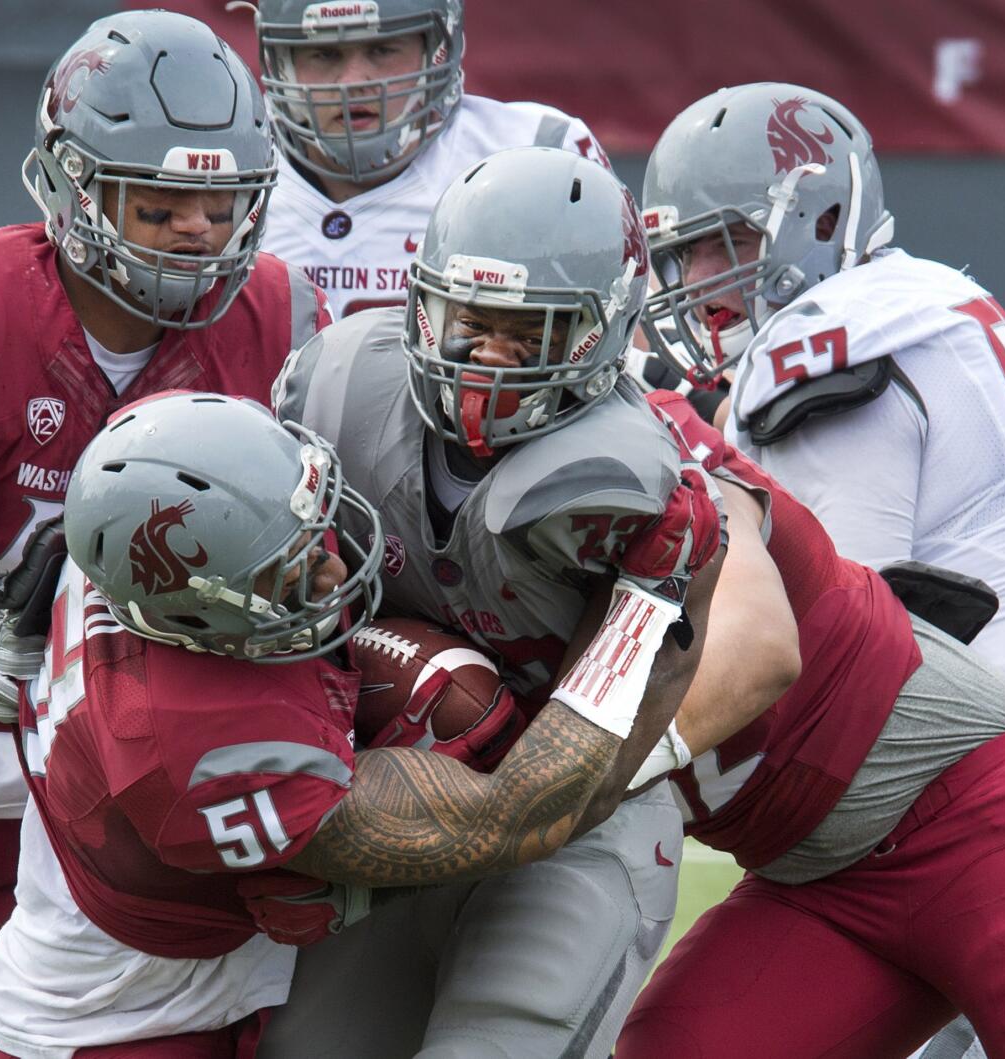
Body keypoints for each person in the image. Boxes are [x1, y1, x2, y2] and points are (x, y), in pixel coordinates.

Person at [0, 11, 329, 1058]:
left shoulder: (281, 322)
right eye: (161, 202)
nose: (194, 232)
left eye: (218, 205)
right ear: (76, 186)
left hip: (96, 792)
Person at [0, 388, 714, 1057]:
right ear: (195, 617)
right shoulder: (197, 749)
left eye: (314, 531)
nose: (336, 568)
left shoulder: (144, 484)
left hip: (85, 945)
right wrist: (645, 602)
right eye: (292, 570)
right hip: (130, 1017)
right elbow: (516, 815)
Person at [256, 147, 772, 1058]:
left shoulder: (642, 501)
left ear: (603, 332)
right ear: (422, 301)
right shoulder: (335, 385)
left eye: (529, 334)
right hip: (384, 770)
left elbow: (547, 796)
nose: (489, 356)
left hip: (577, 822)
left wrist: (333, 835)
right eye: (470, 321)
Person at [637, 80, 1005, 1057]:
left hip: (967, 782)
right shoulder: (930, 297)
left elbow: (839, 634)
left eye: (724, 247)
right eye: (682, 255)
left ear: (813, 215)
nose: (700, 281)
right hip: (864, 841)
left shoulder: (827, 346)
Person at [612, 387, 1005, 1057]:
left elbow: (759, 654)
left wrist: (549, 781)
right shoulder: (455, 560)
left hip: (976, 807)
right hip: (815, 882)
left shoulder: (646, 447)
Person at [246, 0, 614, 318]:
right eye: (325, 53)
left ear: (438, 48)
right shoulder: (239, 162)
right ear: (281, 60)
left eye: (383, 48)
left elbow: (624, 325)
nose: (352, 80)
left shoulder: (534, 155)